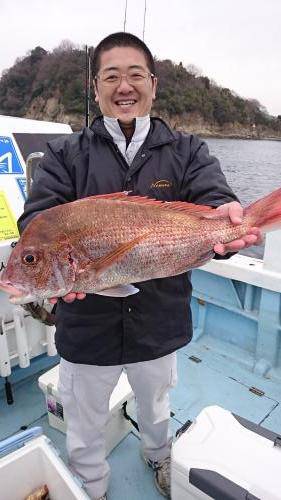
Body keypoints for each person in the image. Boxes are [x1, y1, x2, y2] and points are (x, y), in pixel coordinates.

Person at [18, 32, 262, 500]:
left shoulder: (188, 150)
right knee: (84, 417)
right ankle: (89, 485)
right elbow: (38, 221)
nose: (123, 86)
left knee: (156, 405)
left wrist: (230, 221)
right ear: (95, 89)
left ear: (153, 84)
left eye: (134, 75)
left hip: (159, 321)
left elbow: (213, 198)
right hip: (87, 327)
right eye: (111, 76)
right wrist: (46, 267)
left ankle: (158, 456)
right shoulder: (64, 154)